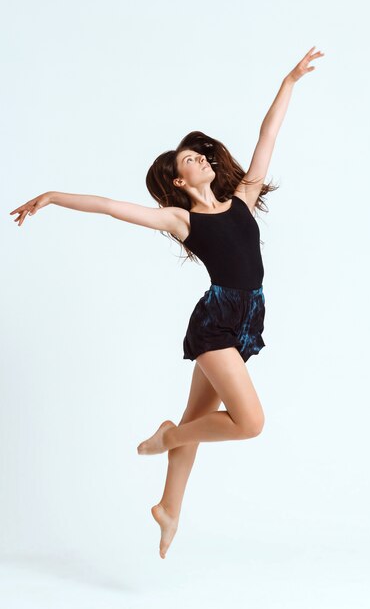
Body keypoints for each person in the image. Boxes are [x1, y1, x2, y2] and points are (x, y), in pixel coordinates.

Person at [10, 46, 325, 559]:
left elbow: (269, 135)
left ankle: (168, 507)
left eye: (200, 155)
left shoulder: (243, 197)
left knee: (199, 414)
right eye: (188, 161)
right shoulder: (183, 221)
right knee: (249, 423)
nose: (200, 158)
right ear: (181, 182)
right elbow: (113, 208)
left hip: (247, 318)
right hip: (217, 322)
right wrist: (53, 195)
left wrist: (288, 81)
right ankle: (166, 438)